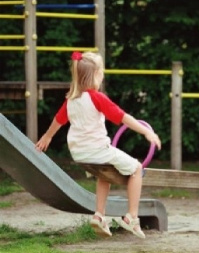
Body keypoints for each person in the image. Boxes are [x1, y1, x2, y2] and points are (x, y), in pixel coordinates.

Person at [35, 51, 161, 239]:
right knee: (136, 168)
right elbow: (123, 117)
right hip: (97, 150)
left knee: (105, 173)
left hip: (79, 153)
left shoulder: (71, 100)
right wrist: (146, 131)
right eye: (101, 71)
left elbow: (58, 120)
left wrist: (47, 137)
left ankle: (99, 215)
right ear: (95, 75)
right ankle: (132, 217)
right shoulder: (96, 97)